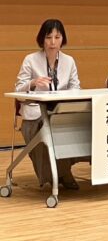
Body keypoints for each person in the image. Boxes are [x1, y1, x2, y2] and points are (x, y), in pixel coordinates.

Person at [15, 19, 81, 189]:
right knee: (46, 132)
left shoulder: (69, 61)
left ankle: (62, 172)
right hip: (35, 115)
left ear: (62, 39)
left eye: (57, 37)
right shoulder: (30, 60)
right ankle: (59, 175)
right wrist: (33, 83)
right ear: (42, 39)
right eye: (48, 37)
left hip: (60, 113)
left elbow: (76, 88)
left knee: (76, 128)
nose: (53, 42)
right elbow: (18, 89)